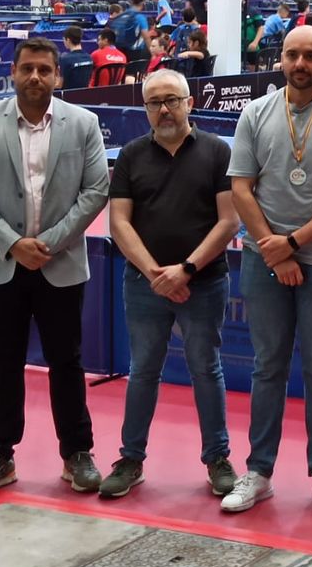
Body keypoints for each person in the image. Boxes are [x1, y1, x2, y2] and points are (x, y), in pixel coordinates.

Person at [223, 26, 312, 517]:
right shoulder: (255, 113)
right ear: (280, 59)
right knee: (268, 367)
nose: (300, 63)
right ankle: (259, 472)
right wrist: (275, 251)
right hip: (265, 257)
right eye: (292, 55)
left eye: (311, 55)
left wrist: (292, 244)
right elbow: (242, 188)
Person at [0, 39, 110, 501]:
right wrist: (13, 243)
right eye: (28, 69)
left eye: (45, 69)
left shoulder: (84, 123)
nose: (36, 77)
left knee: (68, 361)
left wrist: (51, 242)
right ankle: (0, 456)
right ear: (14, 72)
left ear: (58, 75)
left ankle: (77, 454)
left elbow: (96, 189)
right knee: (5, 362)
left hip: (60, 264)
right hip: (3, 265)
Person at [100, 70, 240, 500]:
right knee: (143, 371)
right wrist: (155, 275)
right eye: (154, 102)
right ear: (144, 109)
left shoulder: (217, 152)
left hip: (205, 281)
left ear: (189, 102)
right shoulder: (130, 155)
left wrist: (186, 270)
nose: (163, 109)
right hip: (144, 285)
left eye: (172, 100)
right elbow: (118, 222)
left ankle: (217, 458)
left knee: (206, 368)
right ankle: (130, 459)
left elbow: (229, 221)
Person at [110, 0, 153, 79]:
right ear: (143, 3)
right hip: (134, 51)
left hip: (119, 50)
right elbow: (146, 36)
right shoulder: (140, 17)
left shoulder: (121, 15)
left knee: (122, 74)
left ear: (131, 3)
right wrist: (152, 52)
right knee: (131, 75)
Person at [57, 25, 94, 90]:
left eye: (64, 40)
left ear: (68, 40)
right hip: (85, 95)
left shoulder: (64, 59)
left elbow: (59, 85)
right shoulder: (89, 58)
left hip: (67, 96)